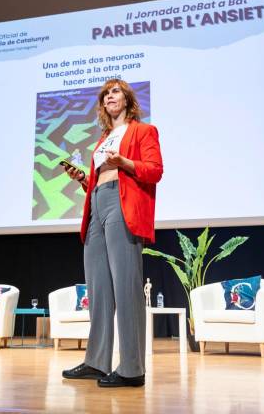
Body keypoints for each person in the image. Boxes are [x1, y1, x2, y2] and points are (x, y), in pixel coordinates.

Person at [61, 79, 163, 388]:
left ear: (128, 99)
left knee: (126, 287)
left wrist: (124, 162)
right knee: (99, 289)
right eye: (105, 94)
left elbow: (154, 170)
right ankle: (96, 361)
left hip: (123, 202)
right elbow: (102, 175)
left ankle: (132, 368)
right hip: (96, 203)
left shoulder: (143, 131)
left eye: (115, 91)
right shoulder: (103, 138)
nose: (109, 97)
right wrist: (84, 180)